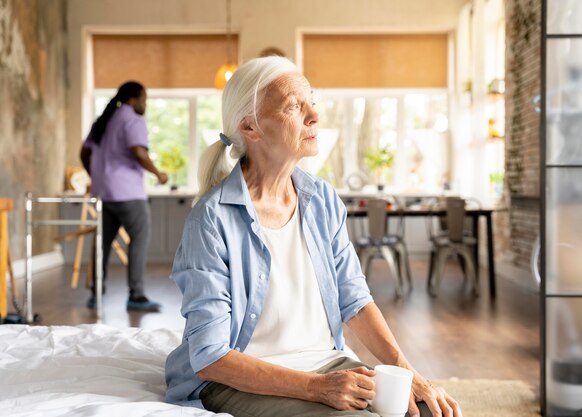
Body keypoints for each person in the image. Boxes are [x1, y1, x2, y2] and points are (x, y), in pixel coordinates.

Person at [165, 57, 462, 417]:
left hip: (328, 363)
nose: (314, 116)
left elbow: (354, 299)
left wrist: (410, 373)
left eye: (312, 102)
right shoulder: (210, 221)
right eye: (294, 106)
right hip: (242, 380)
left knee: (430, 412)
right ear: (250, 127)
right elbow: (211, 357)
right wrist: (316, 388)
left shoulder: (321, 199)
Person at [80, 81, 168, 312]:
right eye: (144, 99)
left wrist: (96, 175)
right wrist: (158, 174)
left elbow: (84, 152)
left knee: (101, 245)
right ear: (134, 99)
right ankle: (136, 295)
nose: (145, 104)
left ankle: (96, 293)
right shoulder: (132, 120)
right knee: (139, 239)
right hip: (128, 193)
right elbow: (138, 151)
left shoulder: (103, 120)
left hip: (103, 193)